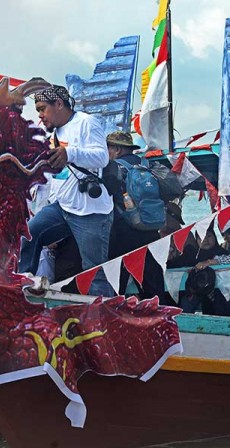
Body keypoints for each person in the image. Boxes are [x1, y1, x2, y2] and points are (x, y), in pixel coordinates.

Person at [19, 85, 114, 296]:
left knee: (94, 272)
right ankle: (22, 284)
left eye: (43, 109)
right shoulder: (52, 133)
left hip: (91, 212)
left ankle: (105, 317)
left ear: (59, 104)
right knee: (28, 234)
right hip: (61, 207)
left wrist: (69, 152)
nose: (41, 116)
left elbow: (102, 157)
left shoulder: (86, 122)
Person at [102, 131, 162, 295]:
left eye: (107, 148)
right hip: (151, 230)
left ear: (117, 149)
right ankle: (160, 318)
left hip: (124, 232)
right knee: (153, 285)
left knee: (116, 284)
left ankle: (114, 317)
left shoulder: (112, 168)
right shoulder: (148, 165)